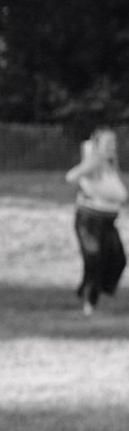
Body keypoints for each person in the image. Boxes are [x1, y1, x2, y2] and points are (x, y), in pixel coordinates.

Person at [65, 129, 127, 316]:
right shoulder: (94, 163)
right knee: (95, 261)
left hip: (108, 221)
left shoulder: (111, 165)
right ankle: (89, 305)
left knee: (118, 259)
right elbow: (71, 177)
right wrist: (88, 190)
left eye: (113, 143)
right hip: (90, 221)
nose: (112, 146)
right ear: (97, 146)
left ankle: (86, 291)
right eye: (107, 143)